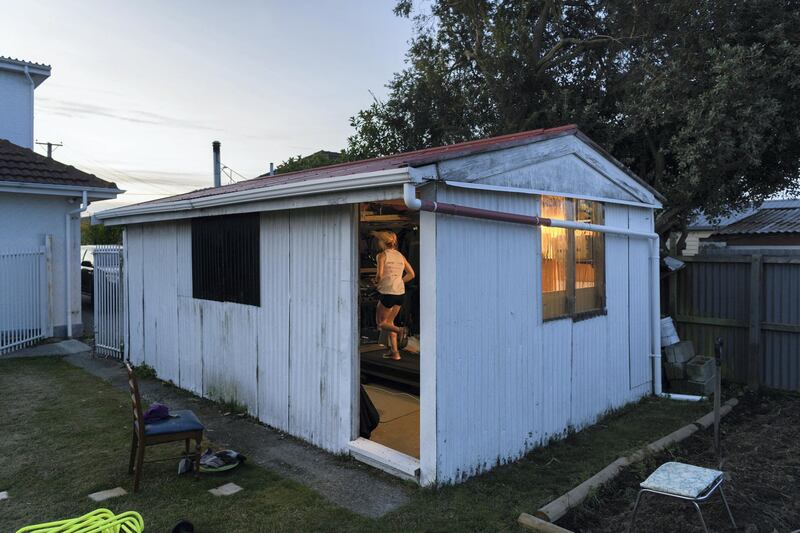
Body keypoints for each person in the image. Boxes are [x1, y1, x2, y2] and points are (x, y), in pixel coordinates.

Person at [371, 230, 415, 361]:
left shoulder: (382, 255)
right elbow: (412, 274)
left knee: (381, 323)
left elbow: (379, 275)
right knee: (390, 322)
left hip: (387, 293)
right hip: (400, 293)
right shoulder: (400, 255)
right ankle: (395, 353)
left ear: (382, 242)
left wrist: (376, 282)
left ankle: (400, 330)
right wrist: (399, 280)